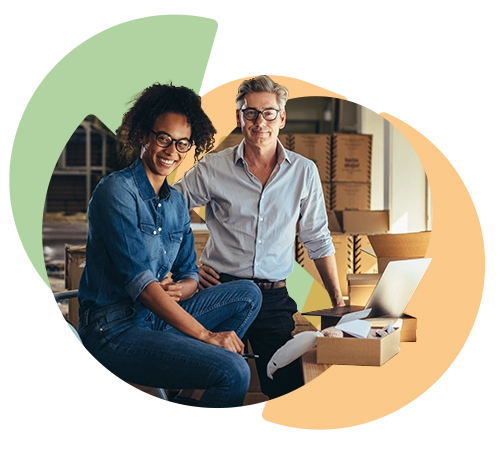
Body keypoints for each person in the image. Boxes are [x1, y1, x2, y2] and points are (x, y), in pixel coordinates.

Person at [76, 82, 263, 409]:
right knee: (233, 371)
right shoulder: (116, 192)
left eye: (182, 143)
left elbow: (189, 272)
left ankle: (187, 399)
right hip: (115, 328)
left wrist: (182, 288)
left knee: (248, 294)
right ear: (143, 135)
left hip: (156, 318)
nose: (171, 151)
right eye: (163, 138)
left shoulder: (176, 202)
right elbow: (143, 285)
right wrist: (206, 336)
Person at [172, 74, 345, 401]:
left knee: (287, 390)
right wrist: (188, 267)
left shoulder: (303, 172)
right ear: (239, 118)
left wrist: (337, 301)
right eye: (249, 112)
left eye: (268, 113)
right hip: (220, 291)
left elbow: (317, 239)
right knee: (204, 384)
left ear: (281, 117)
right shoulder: (213, 168)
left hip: (274, 298)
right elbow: (166, 211)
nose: (259, 121)